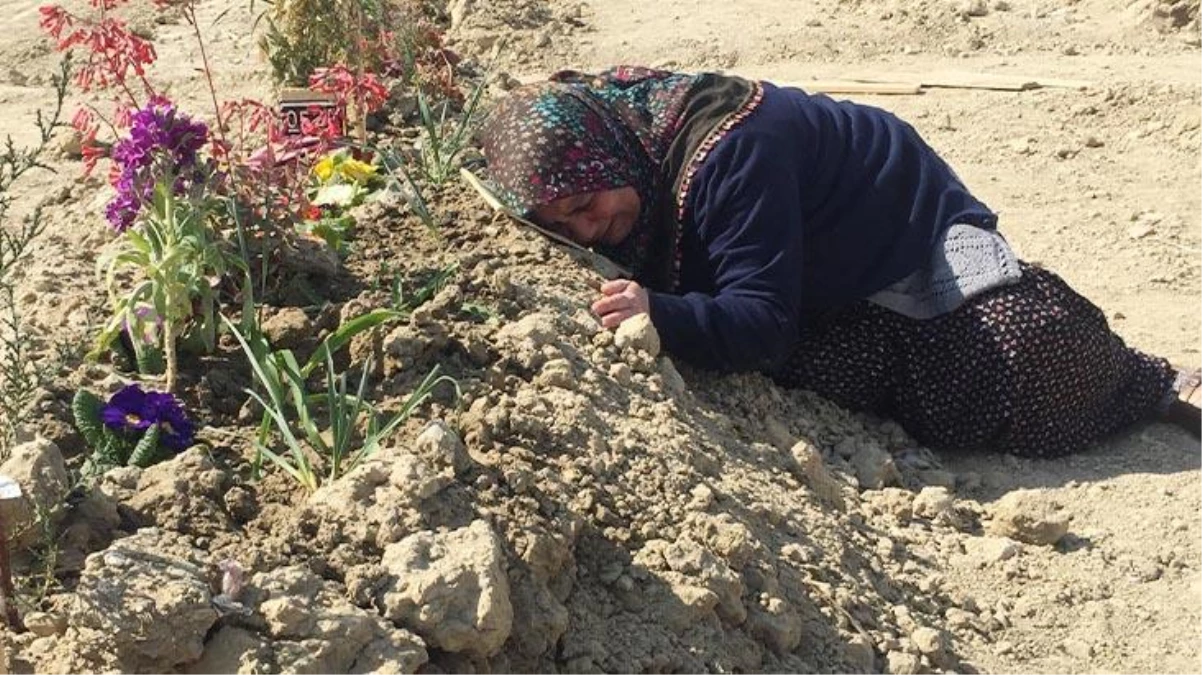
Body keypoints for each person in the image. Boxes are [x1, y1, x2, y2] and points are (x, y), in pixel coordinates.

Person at [478, 66, 1202, 457]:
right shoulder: (605, 130)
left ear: (608, 156)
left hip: (898, 226)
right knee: (827, 368)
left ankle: (1156, 381)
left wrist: (659, 311)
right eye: (563, 221)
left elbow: (760, 323)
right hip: (798, 257)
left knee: (1023, 356)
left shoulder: (734, 156)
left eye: (591, 201)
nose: (591, 228)